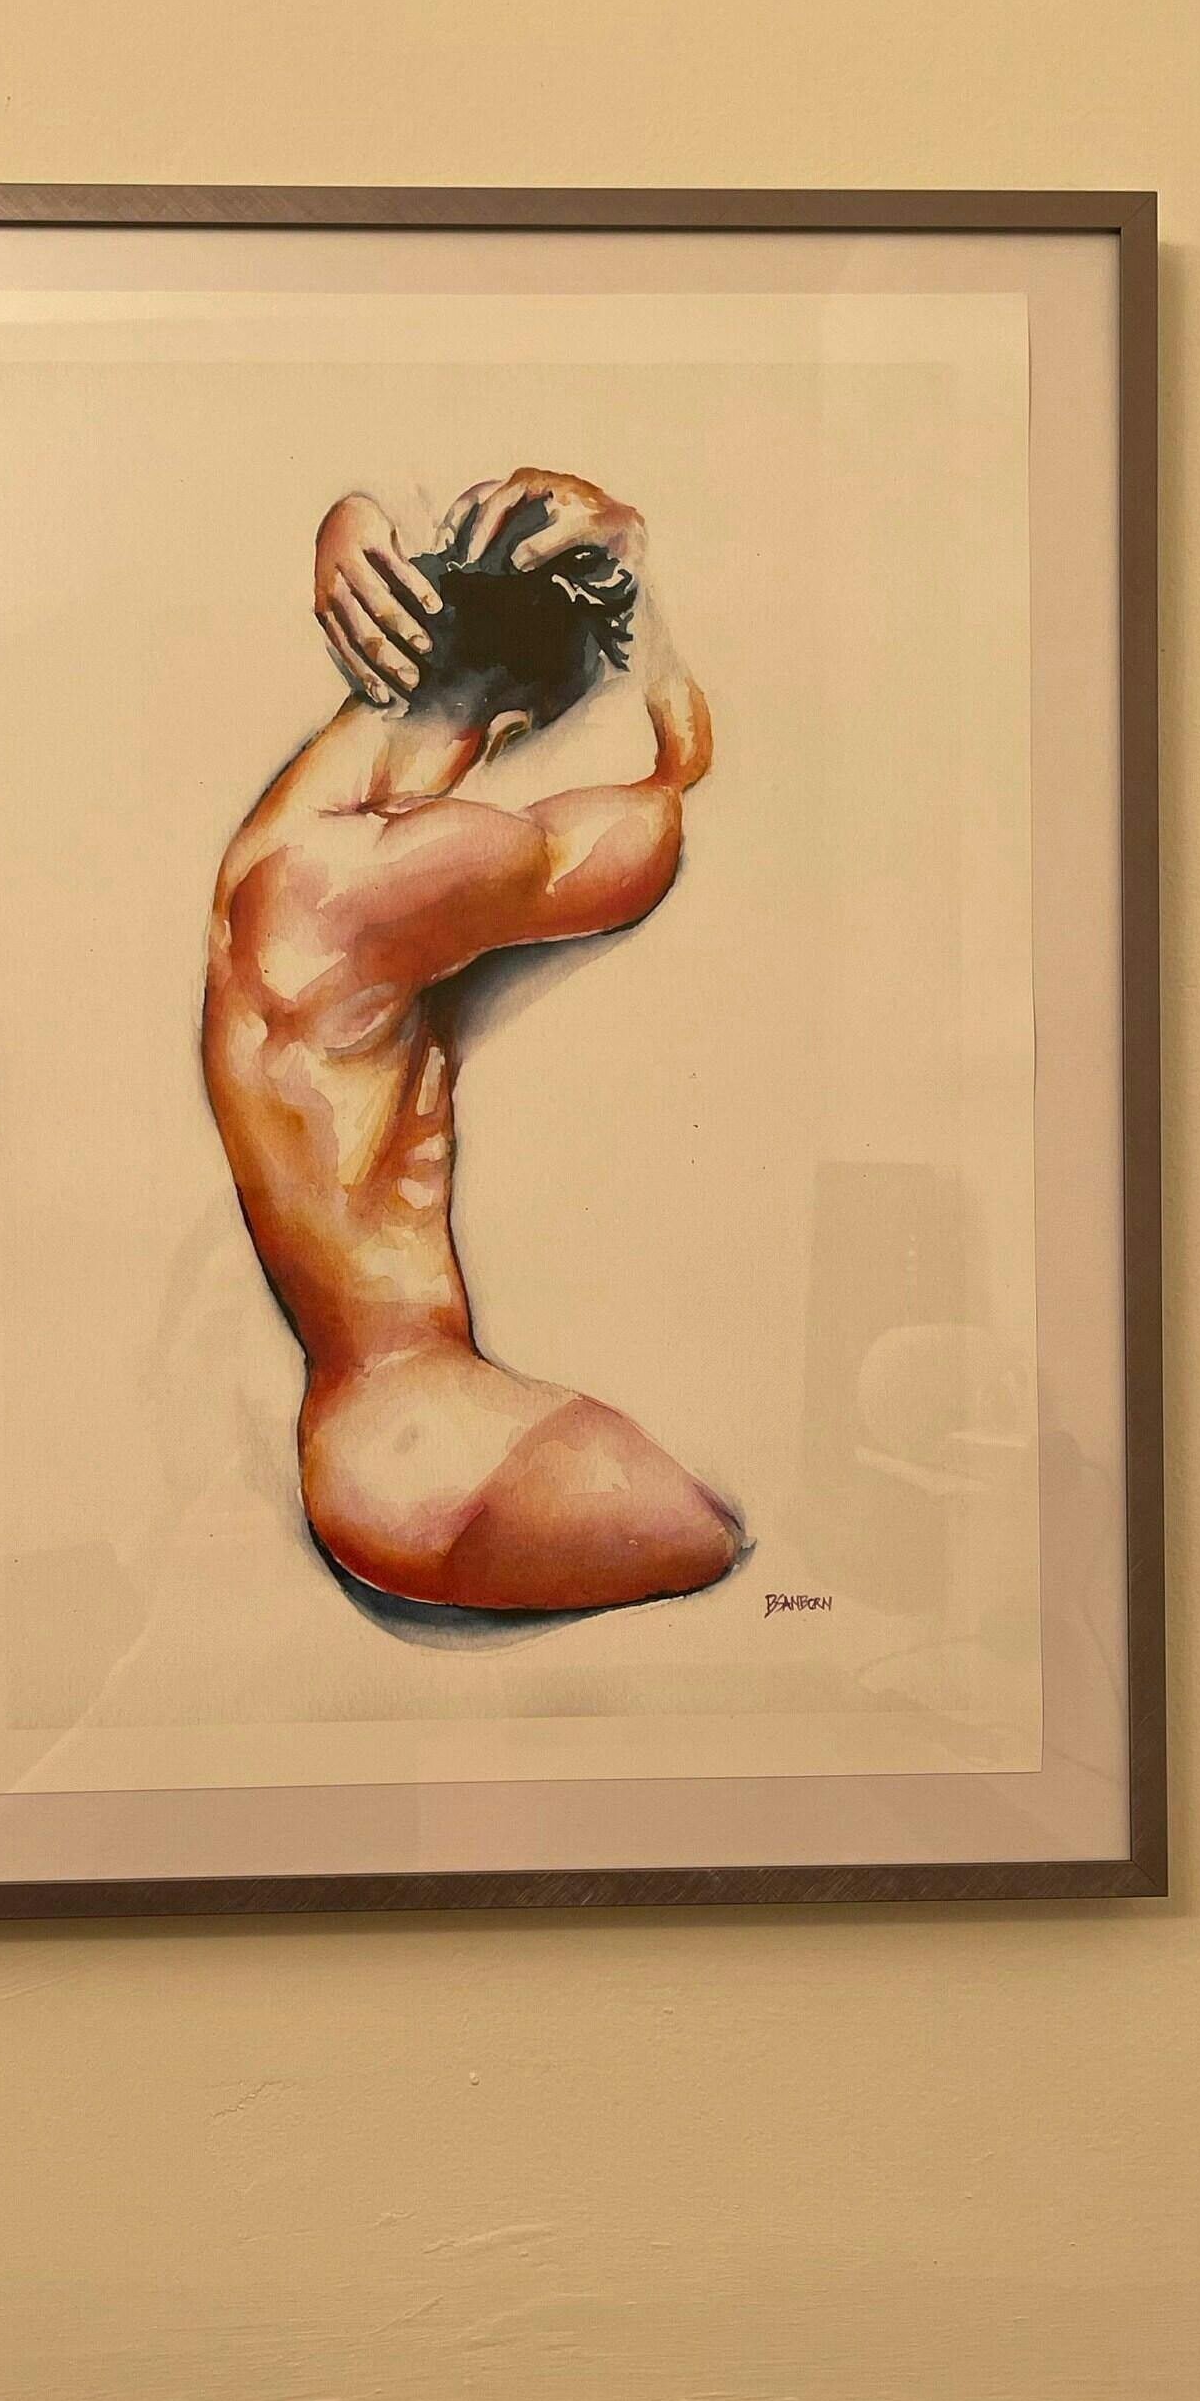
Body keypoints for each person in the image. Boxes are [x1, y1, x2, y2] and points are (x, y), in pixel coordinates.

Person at [202, 467, 743, 1613]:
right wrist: (644, 614)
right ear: (504, 732)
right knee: (730, 1542)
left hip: (389, 1431)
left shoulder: (279, 855)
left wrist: (352, 515)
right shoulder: (368, 885)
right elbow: (663, 806)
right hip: (416, 1443)